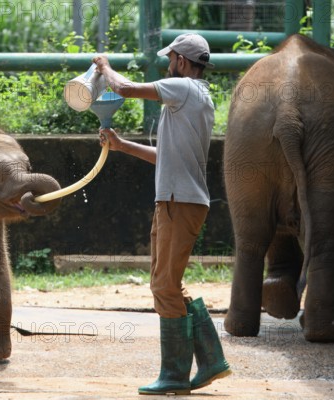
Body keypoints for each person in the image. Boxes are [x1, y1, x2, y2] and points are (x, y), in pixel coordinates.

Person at [93, 33, 231, 395]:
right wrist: (122, 146)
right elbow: (165, 157)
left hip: (177, 202)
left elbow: (124, 89)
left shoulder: (183, 87)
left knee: (163, 286)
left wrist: (104, 66)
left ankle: (174, 375)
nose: (168, 64)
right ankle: (211, 360)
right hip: (178, 200)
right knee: (167, 284)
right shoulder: (197, 99)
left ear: (181, 62)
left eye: (170, 58)